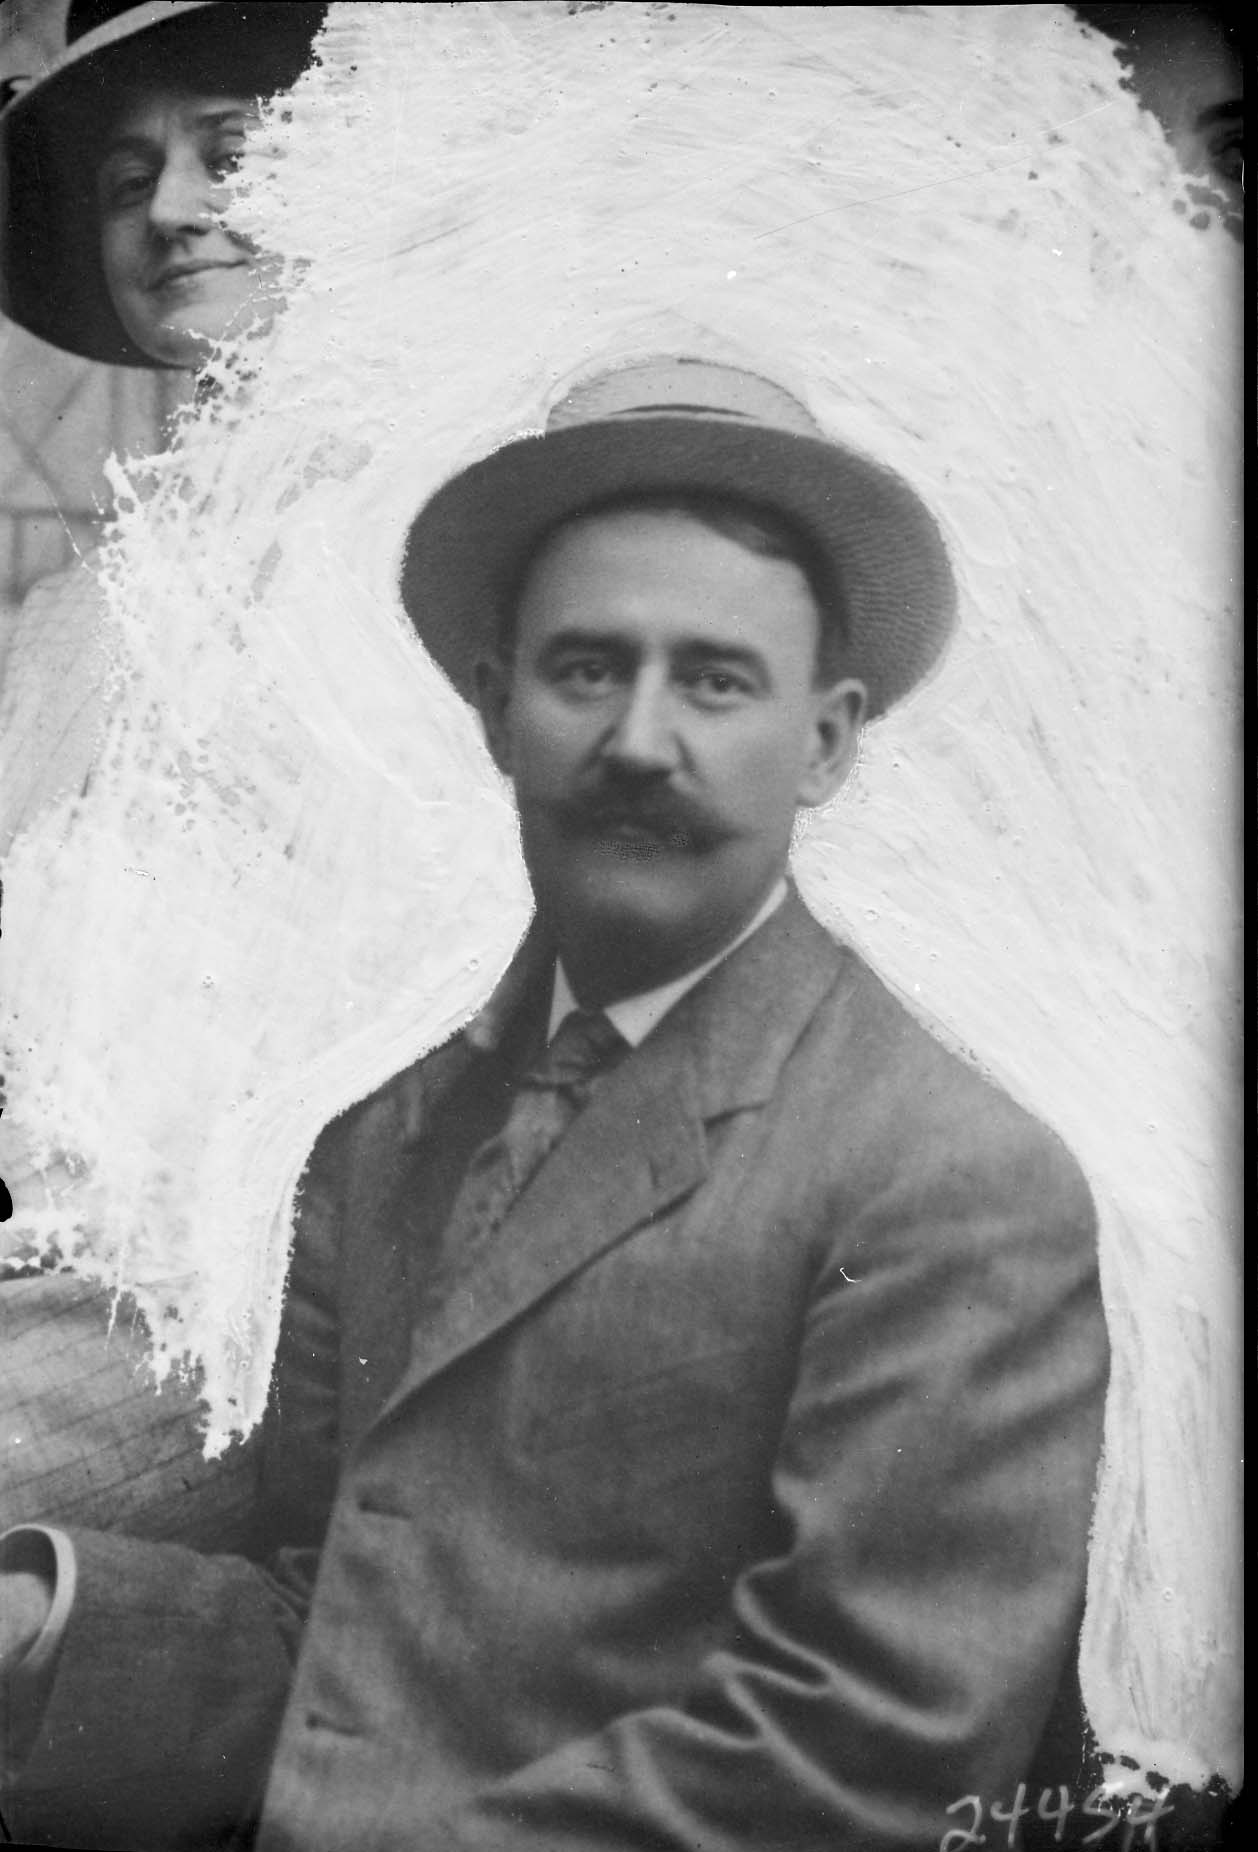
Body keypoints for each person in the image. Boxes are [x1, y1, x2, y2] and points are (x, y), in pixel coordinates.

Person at [0, 354, 1111, 1851]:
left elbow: (862, 1756)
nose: (639, 742)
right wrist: (47, 1621)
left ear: (827, 741)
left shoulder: (948, 1177)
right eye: (586, 670)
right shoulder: (382, 1137)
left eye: (715, 680)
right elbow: (352, 1635)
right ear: (493, 712)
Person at [0, 2, 326, 1542]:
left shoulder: (448, 548)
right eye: (127, 180)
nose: (173, 210)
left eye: (228, 151)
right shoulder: (62, 625)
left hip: (240, 1325)